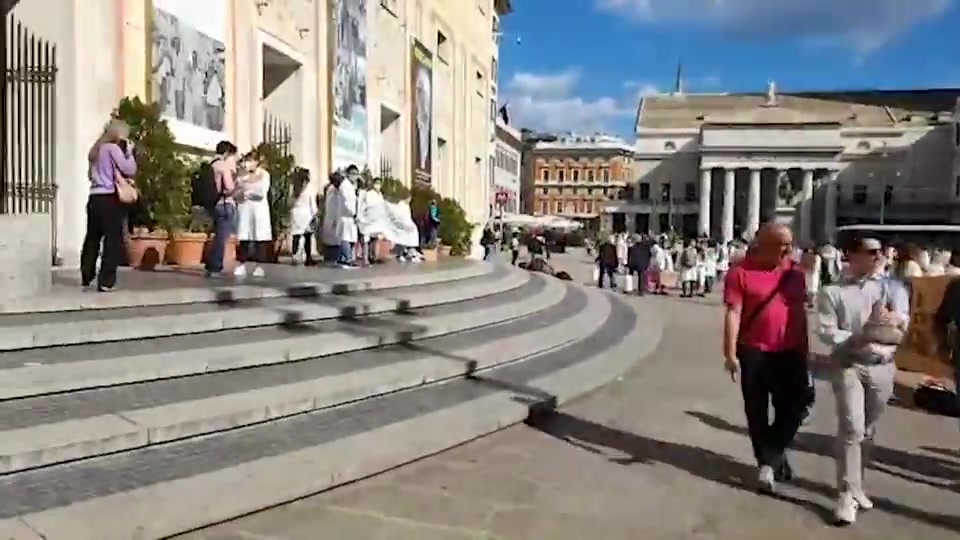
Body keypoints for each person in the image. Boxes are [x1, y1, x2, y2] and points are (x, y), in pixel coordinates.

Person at [818, 237, 909, 525]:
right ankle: (845, 494)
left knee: (867, 429)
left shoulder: (893, 287)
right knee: (851, 428)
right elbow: (827, 330)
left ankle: (857, 485)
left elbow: (904, 321)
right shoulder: (833, 291)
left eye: (878, 252)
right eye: (869, 252)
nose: (876, 257)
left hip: (883, 366)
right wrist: (858, 337)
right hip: (849, 363)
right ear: (853, 256)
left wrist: (894, 319)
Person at [723, 223, 809, 494]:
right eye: (782, 245)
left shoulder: (795, 274)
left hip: (790, 350)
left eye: (789, 244)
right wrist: (729, 353)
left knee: (795, 406)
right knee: (757, 411)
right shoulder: (740, 272)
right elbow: (733, 313)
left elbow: (800, 313)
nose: (788, 250)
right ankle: (768, 462)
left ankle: (772, 455)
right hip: (754, 350)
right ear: (764, 243)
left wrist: (806, 350)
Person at [81, 119, 137, 291]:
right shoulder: (112, 149)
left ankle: (86, 273)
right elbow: (129, 169)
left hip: (94, 197)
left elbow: (91, 175)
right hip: (109, 198)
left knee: (92, 237)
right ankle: (106, 280)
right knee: (112, 240)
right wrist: (129, 152)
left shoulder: (95, 150)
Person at [234, 151, 272, 278]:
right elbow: (236, 192)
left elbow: (261, 192)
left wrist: (247, 192)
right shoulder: (242, 176)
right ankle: (241, 264)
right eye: (247, 160)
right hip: (245, 209)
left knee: (259, 238)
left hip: (258, 211)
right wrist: (244, 191)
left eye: (251, 160)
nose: (248, 163)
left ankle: (259, 266)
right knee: (244, 237)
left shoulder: (264, 175)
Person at [204, 141, 239, 277]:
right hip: (225, 204)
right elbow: (229, 188)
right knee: (221, 238)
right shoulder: (223, 166)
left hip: (214, 204)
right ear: (226, 152)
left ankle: (210, 265)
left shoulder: (211, 164)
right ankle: (214, 268)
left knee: (217, 235)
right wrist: (237, 184)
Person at [289, 168, 317, 266]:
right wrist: (315, 214)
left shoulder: (294, 188)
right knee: (307, 237)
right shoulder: (309, 188)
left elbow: (290, 202)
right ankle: (308, 258)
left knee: (296, 236)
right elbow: (312, 204)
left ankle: (294, 256)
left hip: (296, 214)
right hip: (306, 215)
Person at [335, 166, 359, 268]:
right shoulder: (345, 186)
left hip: (350, 218)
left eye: (356, 174)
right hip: (346, 216)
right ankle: (346, 260)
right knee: (346, 238)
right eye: (352, 173)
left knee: (350, 238)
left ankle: (343, 258)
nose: (354, 176)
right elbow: (346, 203)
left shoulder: (351, 186)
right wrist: (353, 213)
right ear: (348, 174)